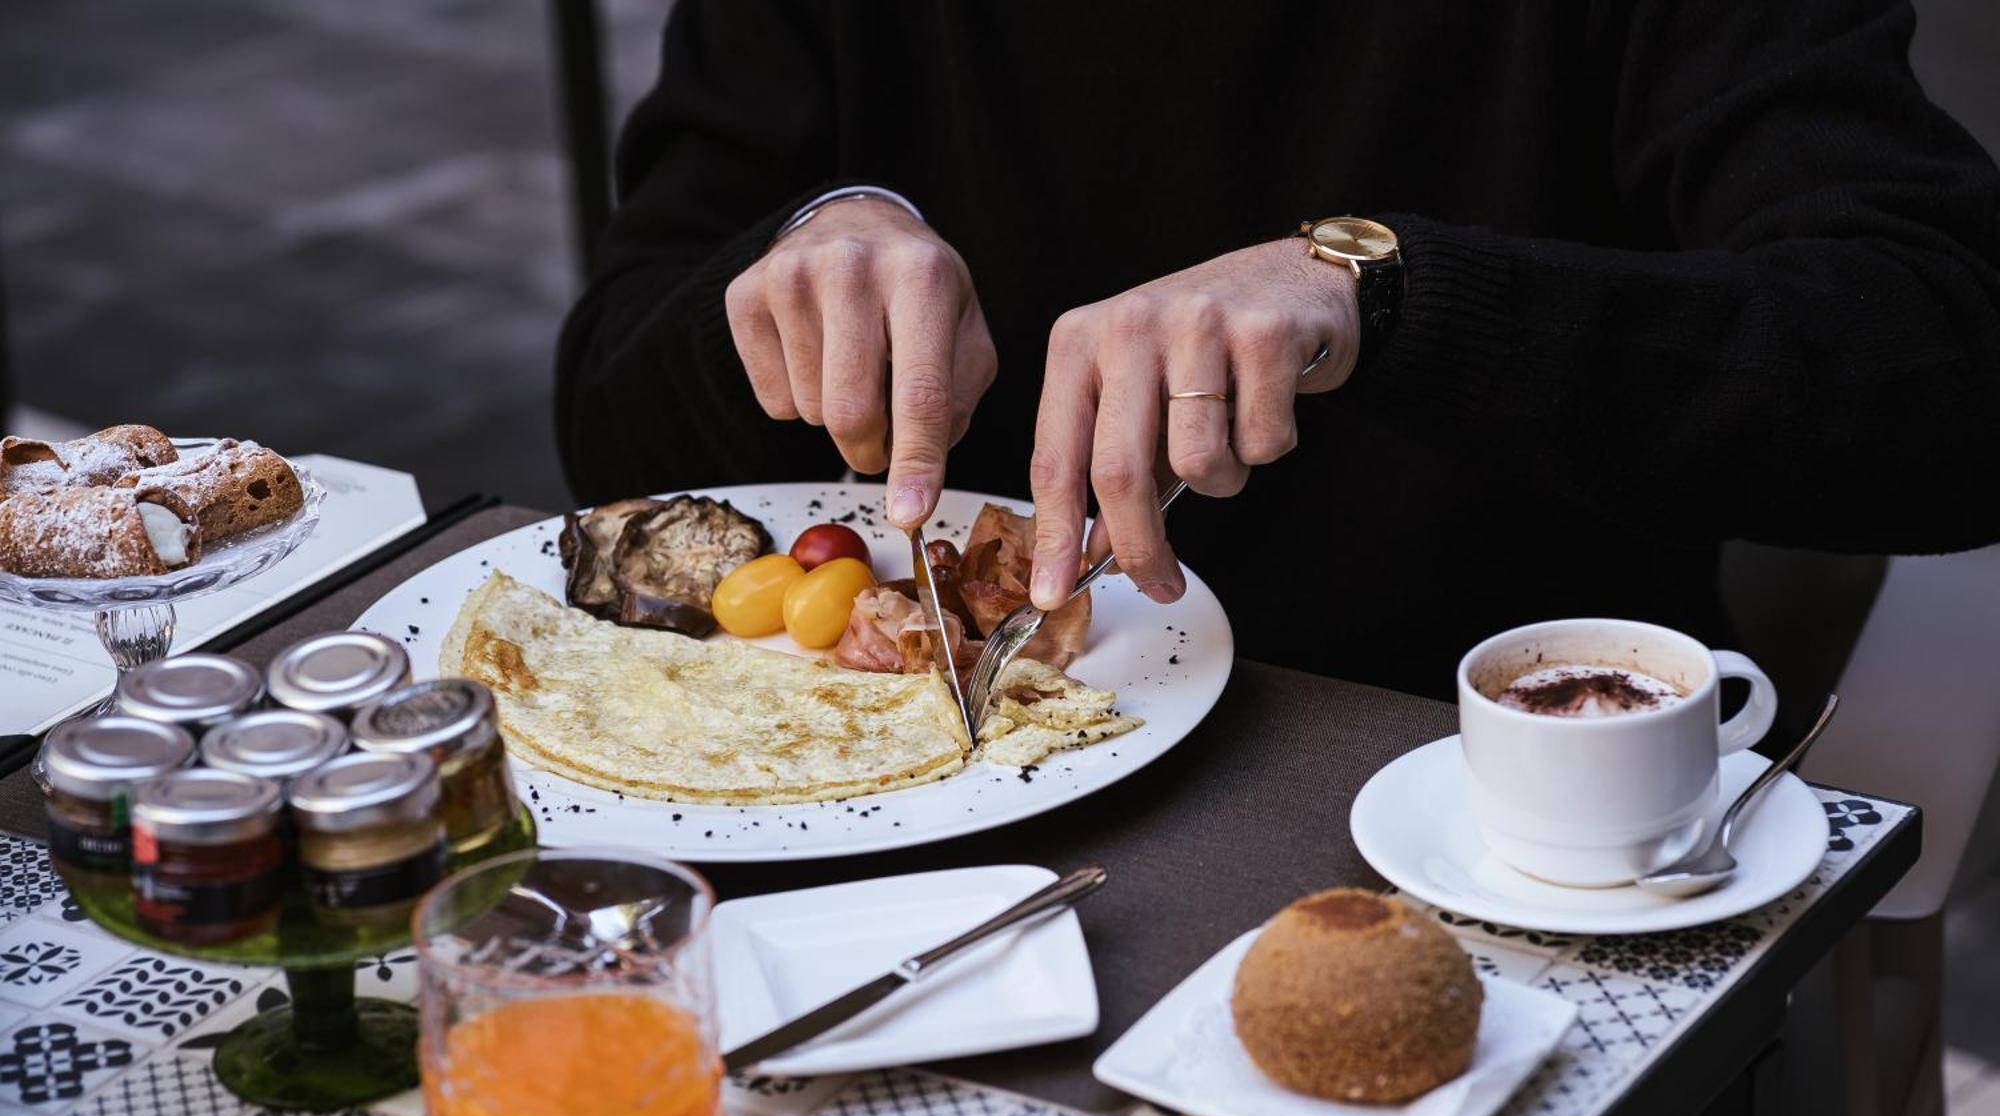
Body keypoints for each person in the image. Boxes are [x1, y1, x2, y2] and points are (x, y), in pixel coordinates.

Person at [557, 1, 2000, 700]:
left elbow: (1948, 368)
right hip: (899, 810)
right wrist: (791, 253)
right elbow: (608, 421)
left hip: (1470, 788)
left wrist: (1392, 293)